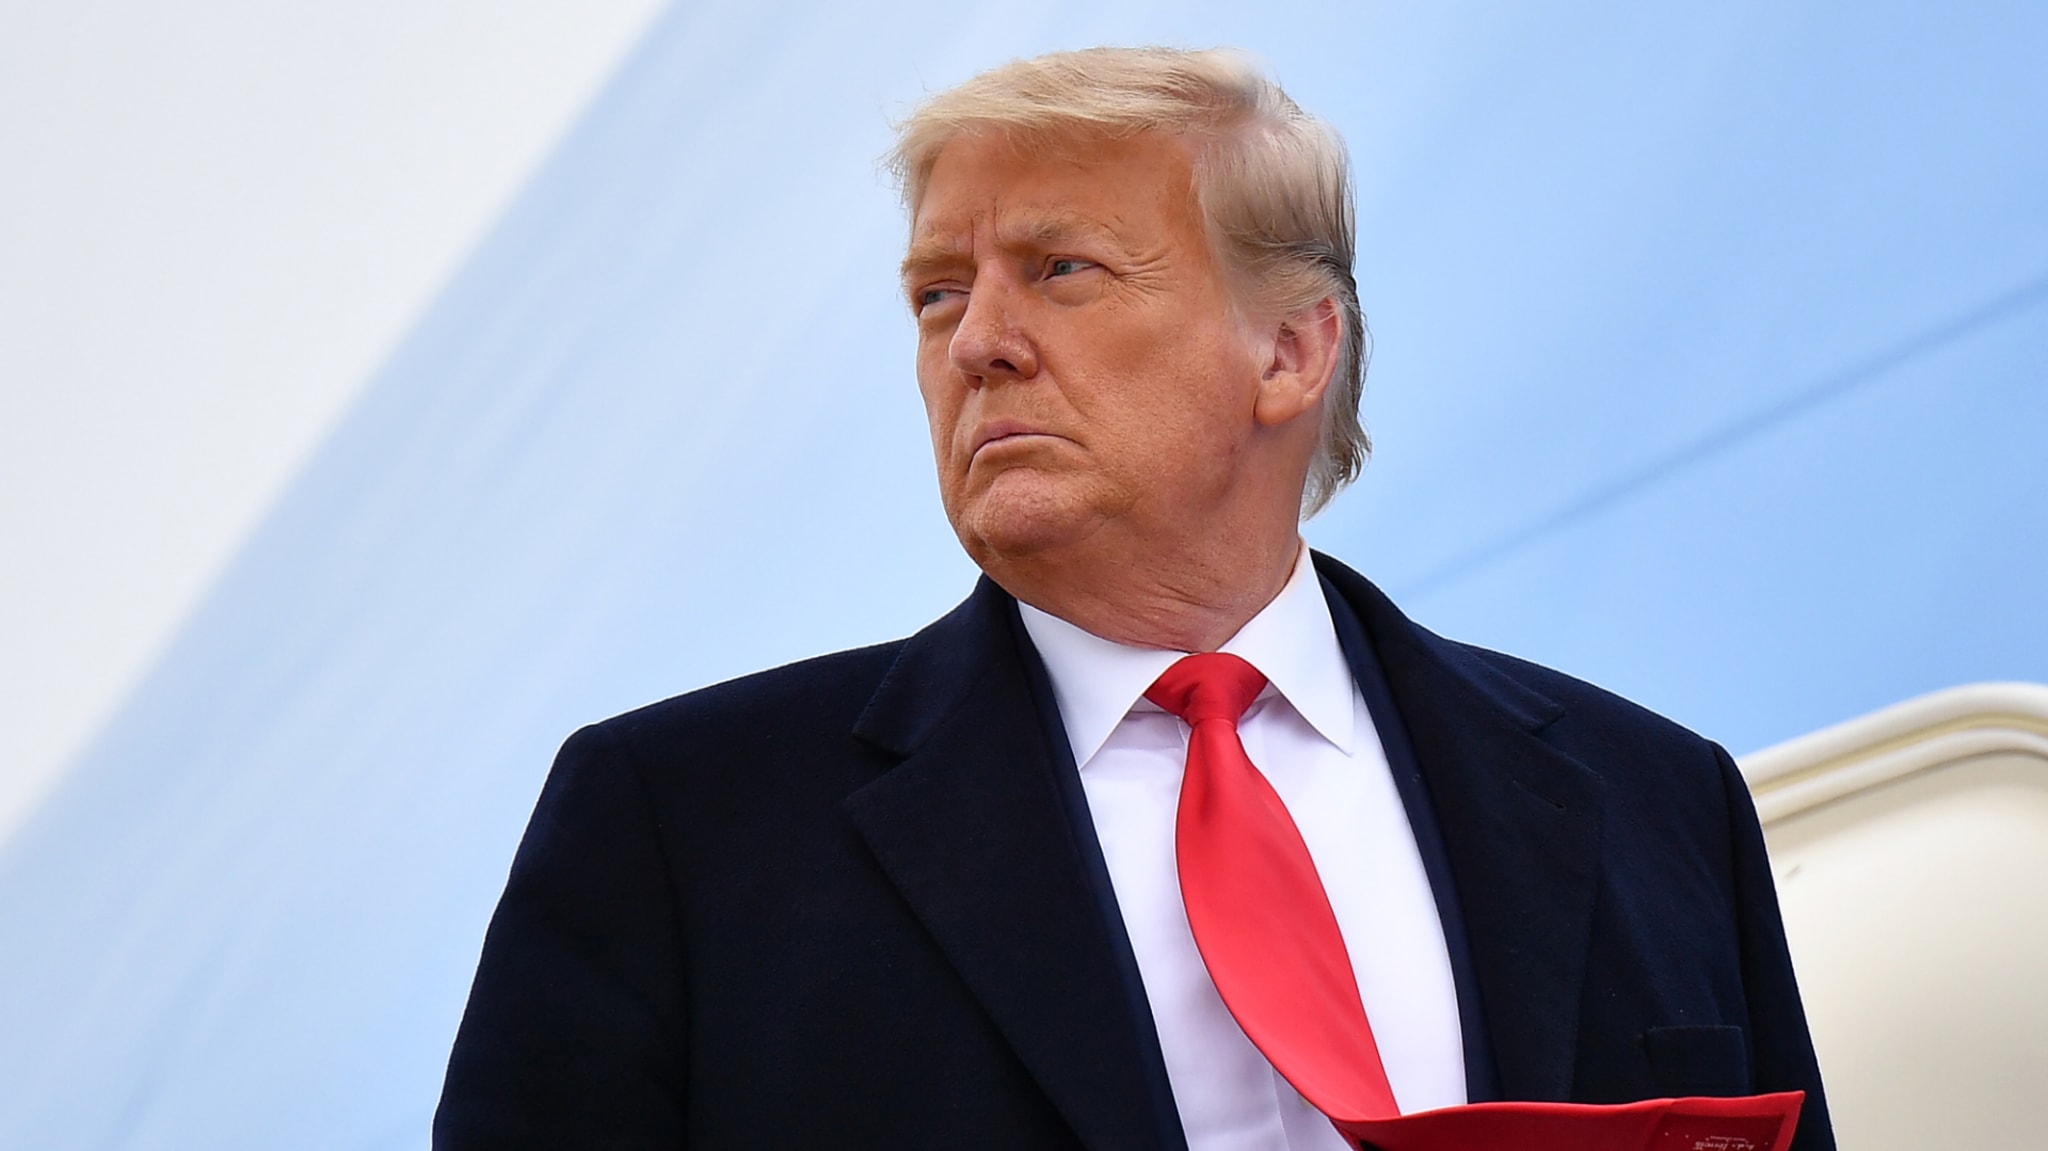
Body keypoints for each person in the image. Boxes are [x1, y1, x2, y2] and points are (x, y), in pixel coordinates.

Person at [434, 47, 1834, 1151]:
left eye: (1061, 271)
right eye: (935, 295)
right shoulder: (677, 831)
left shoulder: (1661, 804)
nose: (977, 344)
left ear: (1290, 352)